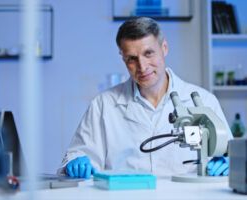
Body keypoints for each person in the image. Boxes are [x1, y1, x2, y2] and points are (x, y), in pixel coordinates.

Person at [58, 17, 232, 179]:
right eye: (132, 59)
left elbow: (230, 153)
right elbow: (79, 154)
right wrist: (75, 162)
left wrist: (230, 162)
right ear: (123, 58)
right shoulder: (104, 105)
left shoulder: (205, 101)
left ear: (164, 48)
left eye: (149, 53)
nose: (142, 66)